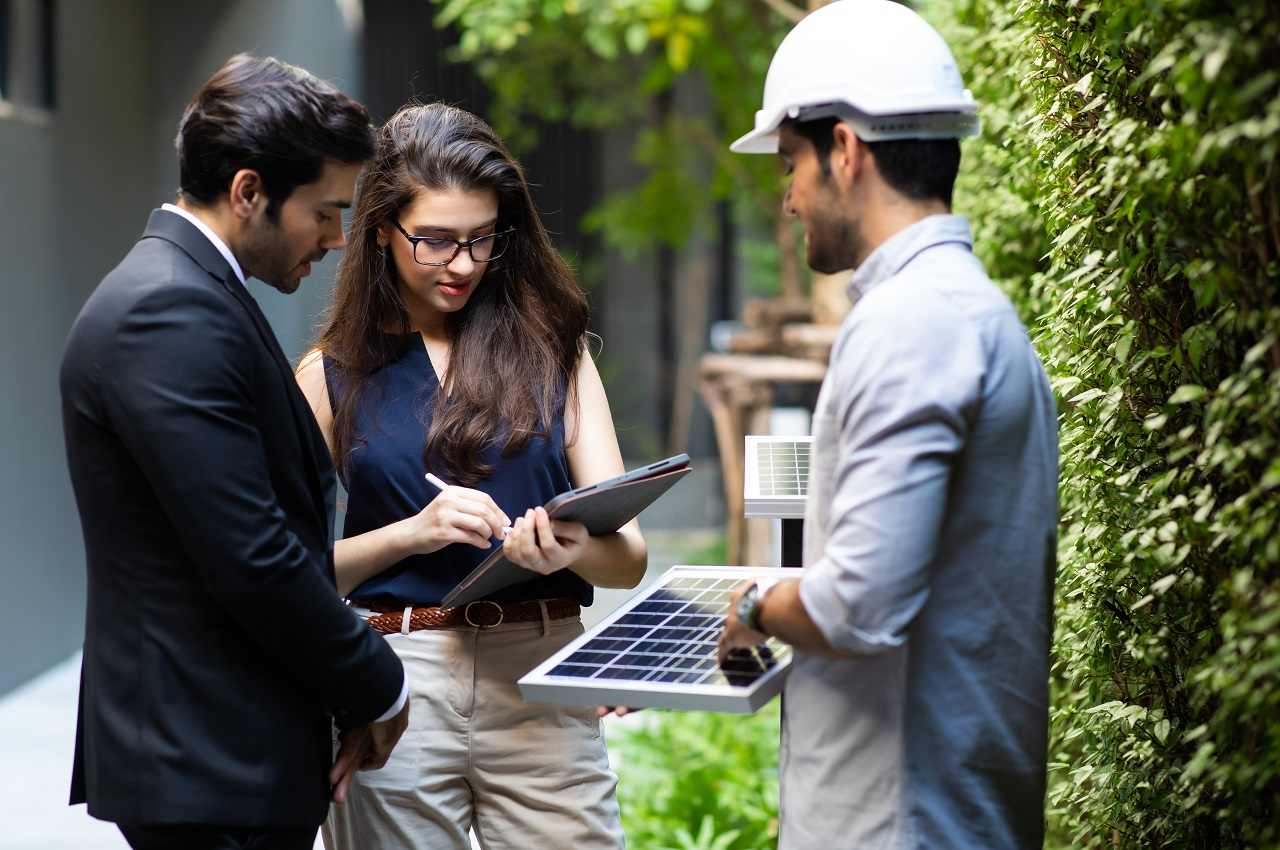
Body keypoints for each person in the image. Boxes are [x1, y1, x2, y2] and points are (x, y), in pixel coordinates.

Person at [715, 2, 1059, 848]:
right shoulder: (965, 311)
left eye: (792, 160)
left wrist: (753, 603)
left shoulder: (912, 323)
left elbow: (858, 606)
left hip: (899, 818)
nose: (788, 197)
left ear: (846, 149)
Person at [60, 54, 410, 850]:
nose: (337, 237)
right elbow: (252, 553)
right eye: (325, 211)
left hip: (220, 755)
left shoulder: (191, 294)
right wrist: (376, 683)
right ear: (249, 191)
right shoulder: (168, 311)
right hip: (205, 760)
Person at [294, 102, 645, 850]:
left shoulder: (558, 352)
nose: (461, 264)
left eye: (482, 240)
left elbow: (630, 557)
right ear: (382, 231)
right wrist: (409, 536)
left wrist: (566, 549)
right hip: (395, 680)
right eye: (435, 241)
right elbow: (290, 572)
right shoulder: (328, 377)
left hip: (542, 669)